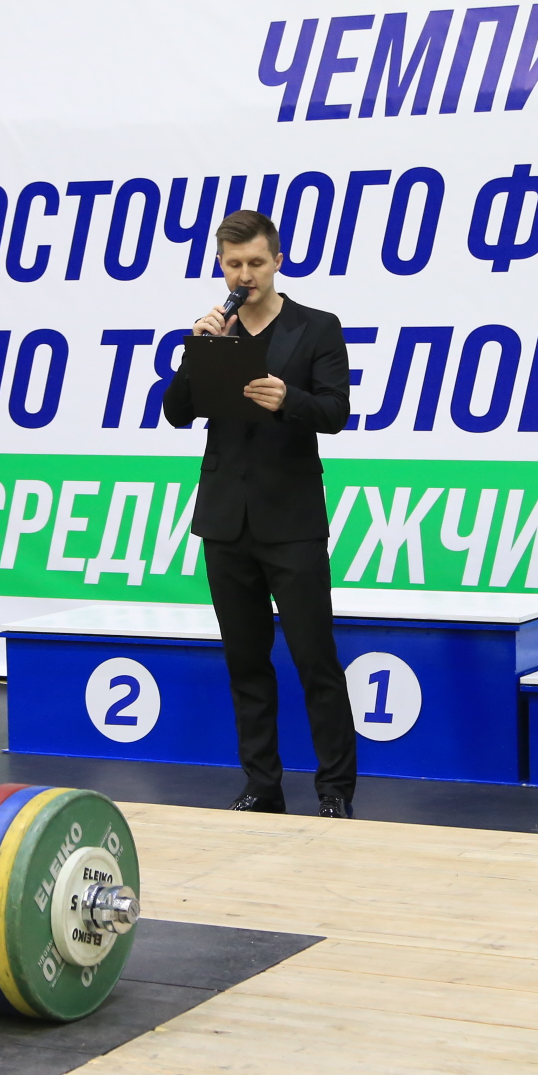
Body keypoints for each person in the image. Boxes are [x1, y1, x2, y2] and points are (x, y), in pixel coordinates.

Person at [163, 210, 357, 818]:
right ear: (221, 266)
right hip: (226, 520)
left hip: (291, 519)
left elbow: (336, 411)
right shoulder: (213, 332)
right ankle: (261, 784)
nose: (244, 275)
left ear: (277, 262)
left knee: (314, 660)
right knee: (245, 662)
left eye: (254, 263)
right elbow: (176, 412)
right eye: (233, 264)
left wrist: (288, 398)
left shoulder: (316, 327)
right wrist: (195, 351)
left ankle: (334, 790)